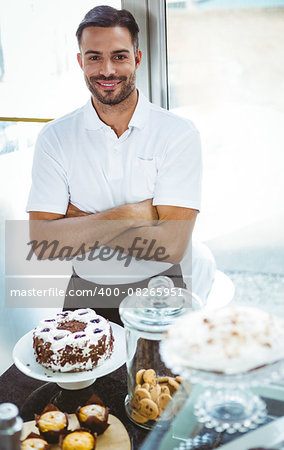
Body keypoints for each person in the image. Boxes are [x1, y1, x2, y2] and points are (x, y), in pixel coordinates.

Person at [26, 5, 215, 325]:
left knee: (157, 377)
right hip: (86, 294)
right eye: (94, 57)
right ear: (80, 62)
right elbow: (43, 243)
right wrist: (132, 214)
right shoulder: (55, 137)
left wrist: (80, 222)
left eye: (119, 56)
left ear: (137, 59)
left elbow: (171, 246)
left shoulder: (178, 134)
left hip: (161, 290)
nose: (107, 71)